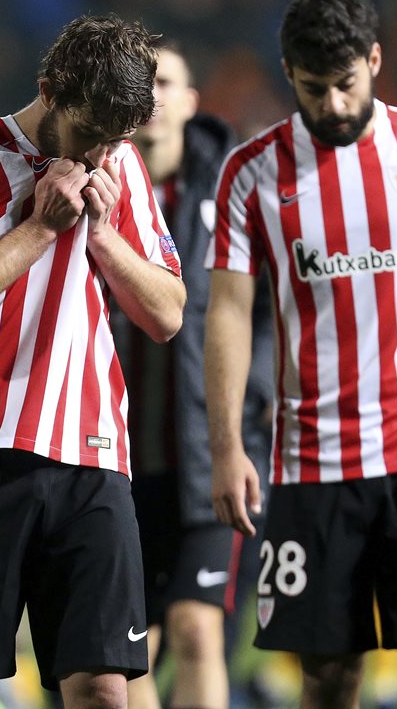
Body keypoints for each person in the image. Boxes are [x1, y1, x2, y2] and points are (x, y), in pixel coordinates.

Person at [204, 0, 397, 709]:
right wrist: (226, 446)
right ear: (289, 74)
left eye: (348, 84)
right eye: (316, 89)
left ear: (375, 61)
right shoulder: (251, 174)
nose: (335, 105)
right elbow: (227, 314)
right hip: (313, 464)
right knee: (329, 673)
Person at [0, 14, 186, 709]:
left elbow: (167, 313)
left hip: (92, 459)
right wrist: (38, 230)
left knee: (102, 687)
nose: (100, 155)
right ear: (49, 90)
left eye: (116, 140)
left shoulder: (121, 163)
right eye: (90, 132)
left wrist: (105, 236)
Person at [116, 38, 271, 709]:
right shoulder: (91, 185)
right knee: (125, 652)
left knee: (197, 628)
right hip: (117, 457)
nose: (153, 98)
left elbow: (272, 308)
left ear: (190, 102)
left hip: (209, 454)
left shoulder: (235, 191)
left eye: (166, 83)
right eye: (140, 86)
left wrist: (254, 394)